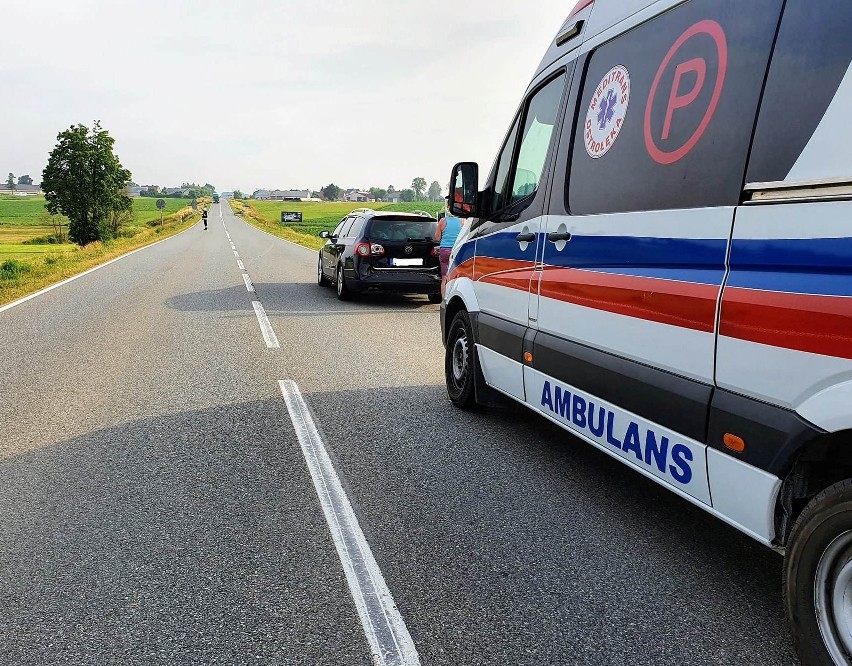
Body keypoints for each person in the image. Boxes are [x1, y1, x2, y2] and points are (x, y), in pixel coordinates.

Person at [435, 202, 464, 278]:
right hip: (457, 250)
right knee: (456, 277)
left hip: (445, 250)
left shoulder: (442, 221)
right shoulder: (462, 221)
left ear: (448, 208)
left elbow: (437, 238)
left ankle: (445, 288)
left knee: (445, 278)